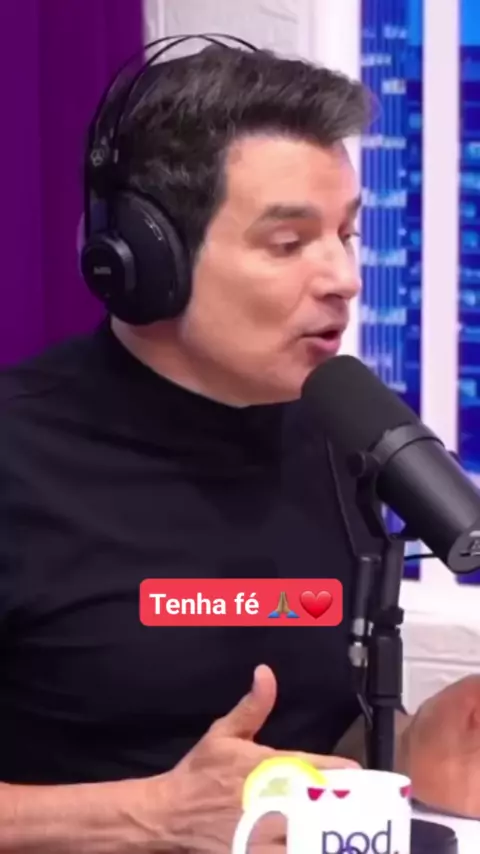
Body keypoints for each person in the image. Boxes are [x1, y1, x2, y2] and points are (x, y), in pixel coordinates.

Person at [0, 39, 478, 854]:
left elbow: (310, 745)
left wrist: (431, 738)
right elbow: (201, 801)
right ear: (147, 259)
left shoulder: (344, 437)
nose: (343, 278)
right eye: (289, 243)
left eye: (346, 234)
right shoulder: (19, 454)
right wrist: (151, 814)